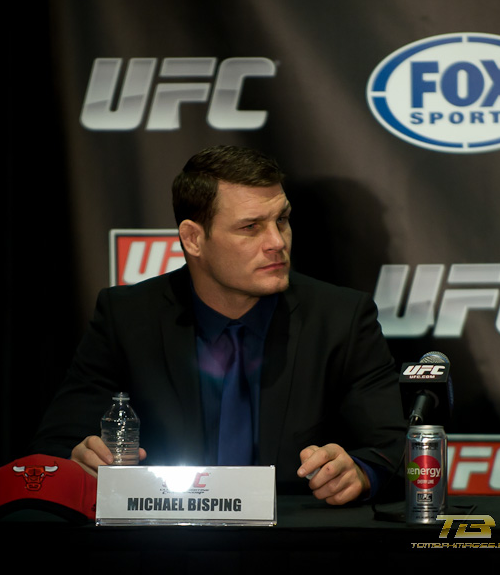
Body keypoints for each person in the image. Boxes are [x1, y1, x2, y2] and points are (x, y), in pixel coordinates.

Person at [31, 145, 407, 505]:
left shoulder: (341, 317)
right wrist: (80, 460)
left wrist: (359, 472)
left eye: (282, 220)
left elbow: (395, 450)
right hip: (159, 553)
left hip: (297, 553)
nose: (277, 242)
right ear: (193, 239)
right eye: (250, 227)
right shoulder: (127, 318)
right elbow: (56, 446)